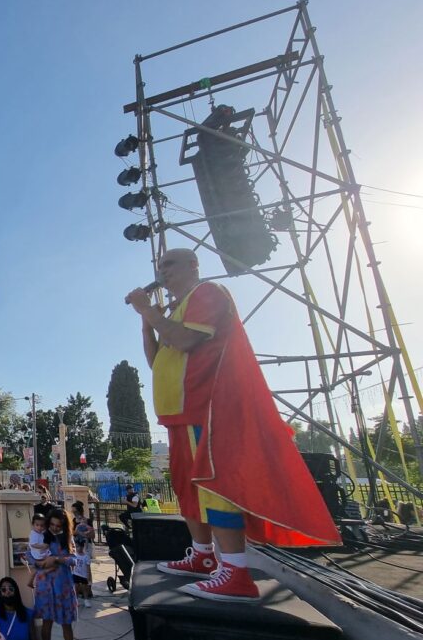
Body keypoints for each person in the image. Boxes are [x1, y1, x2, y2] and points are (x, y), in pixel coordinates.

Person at [127, 248, 340, 601]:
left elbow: (186, 340)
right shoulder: (175, 311)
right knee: (187, 487)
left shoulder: (207, 293)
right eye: (160, 266)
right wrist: (147, 322)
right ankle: (203, 555)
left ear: (193, 265)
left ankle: (236, 573)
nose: (162, 271)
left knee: (213, 485)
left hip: (207, 408)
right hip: (180, 413)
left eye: (170, 264)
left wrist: (148, 310)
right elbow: (157, 361)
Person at [33, 509, 84, 640]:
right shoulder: (41, 536)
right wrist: (44, 563)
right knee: (46, 623)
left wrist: (56, 559)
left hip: (63, 586)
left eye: (58, 525)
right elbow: (32, 558)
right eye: (52, 524)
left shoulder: (67, 539)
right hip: (46, 585)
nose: (54, 528)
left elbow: (74, 560)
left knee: (67, 624)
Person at [27, 513, 49, 589]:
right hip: (38, 556)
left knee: (36, 570)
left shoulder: (41, 533)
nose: (39, 527)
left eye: (42, 525)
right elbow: (33, 544)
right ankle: (32, 582)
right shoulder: (34, 534)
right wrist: (42, 546)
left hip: (41, 554)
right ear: (33, 525)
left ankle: (31, 582)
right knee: (39, 569)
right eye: (37, 525)